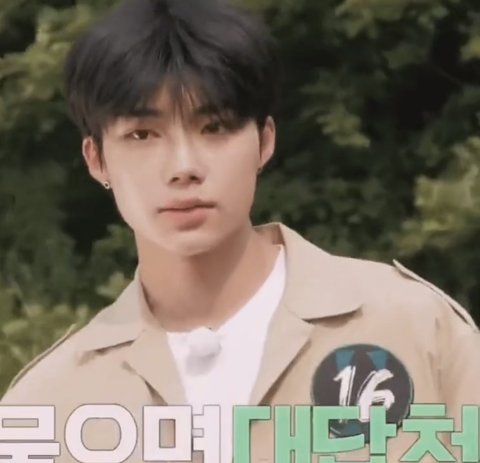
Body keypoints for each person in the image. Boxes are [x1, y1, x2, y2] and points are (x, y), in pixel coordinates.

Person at [1, 0, 479, 461]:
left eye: (214, 127)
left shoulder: (412, 326)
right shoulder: (46, 407)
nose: (183, 167)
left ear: (264, 141)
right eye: (142, 135)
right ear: (97, 159)